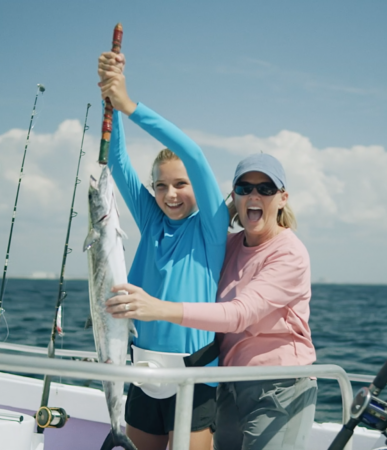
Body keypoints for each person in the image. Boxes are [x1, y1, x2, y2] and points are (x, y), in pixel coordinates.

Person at [107, 151, 318, 450]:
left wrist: (158, 309)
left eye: (266, 188)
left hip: (278, 383)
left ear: (282, 197)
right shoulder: (228, 244)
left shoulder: (289, 253)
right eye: (245, 188)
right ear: (234, 195)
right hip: (227, 379)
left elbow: (239, 315)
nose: (254, 195)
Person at [98, 52, 228, 450]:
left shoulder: (211, 224)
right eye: (160, 186)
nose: (170, 194)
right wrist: (110, 96)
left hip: (195, 378)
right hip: (144, 371)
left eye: (180, 185)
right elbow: (117, 162)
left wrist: (130, 105)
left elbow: (194, 154)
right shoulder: (152, 218)